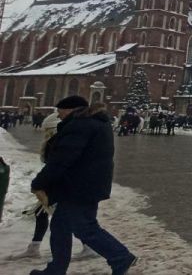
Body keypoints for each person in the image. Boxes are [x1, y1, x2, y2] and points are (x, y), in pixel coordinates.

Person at [29, 96, 137, 275]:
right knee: (60, 226)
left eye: (60, 110)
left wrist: (40, 182)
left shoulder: (80, 125)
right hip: (85, 184)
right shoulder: (95, 122)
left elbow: (62, 158)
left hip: (78, 186)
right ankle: (56, 269)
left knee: (85, 227)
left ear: (71, 109)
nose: (59, 114)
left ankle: (120, 257)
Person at [9, 112, 96, 261]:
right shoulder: (57, 141)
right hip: (57, 185)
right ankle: (35, 248)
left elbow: (58, 166)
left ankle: (87, 247)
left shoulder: (58, 142)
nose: (45, 134)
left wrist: (43, 183)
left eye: (47, 131)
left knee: (68, 218)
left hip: (60, 186)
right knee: (42, 213)